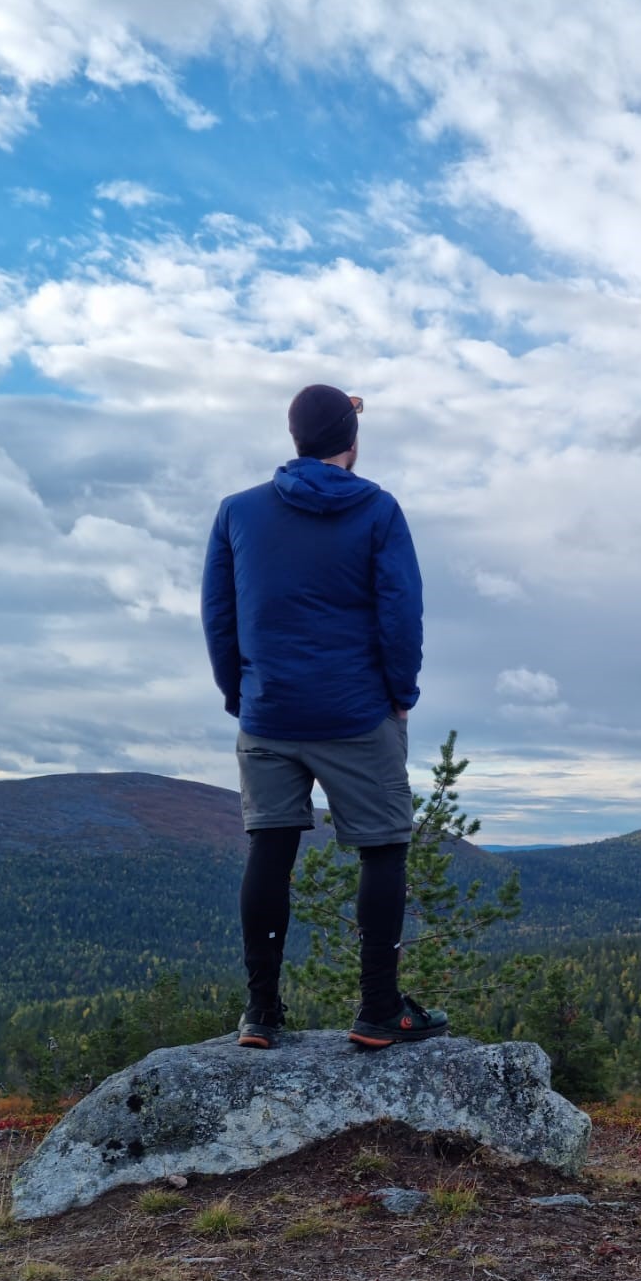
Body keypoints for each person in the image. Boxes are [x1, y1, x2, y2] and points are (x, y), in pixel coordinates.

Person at [199, 382, 449, 1050]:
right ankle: (377, 1010)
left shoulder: (237, 513)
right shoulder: (378, 510)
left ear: (294, 438)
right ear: (351, 440)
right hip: (357, 710)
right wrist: (401, 693)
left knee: (270, 846)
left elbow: (220, 617)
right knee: (384, 846)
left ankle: (260, 1014)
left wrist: (240, 695)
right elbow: (401, 611)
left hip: (269, 710)